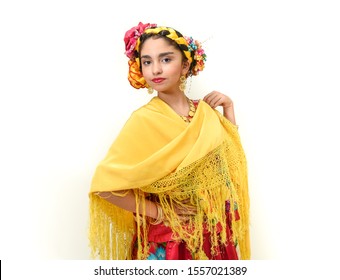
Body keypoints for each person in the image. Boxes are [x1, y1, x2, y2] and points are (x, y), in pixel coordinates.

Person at [88, 22, 250, 260]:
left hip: (212, 237)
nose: (155, 70)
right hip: (168, 241)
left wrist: (229, 109)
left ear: (185, 65)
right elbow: (105, 187)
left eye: (165, 60)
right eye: (147, 61)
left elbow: (226, 162)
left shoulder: (204, 113)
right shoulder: (143, 120)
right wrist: (160, 212)